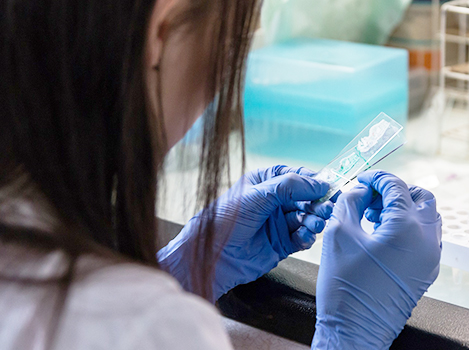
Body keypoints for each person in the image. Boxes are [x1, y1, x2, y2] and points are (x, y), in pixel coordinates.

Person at [0, 0, 442, 349]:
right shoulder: (145, 327)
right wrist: (350, 338)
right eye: (229, 45)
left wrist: (187, 270)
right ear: (162, 32)